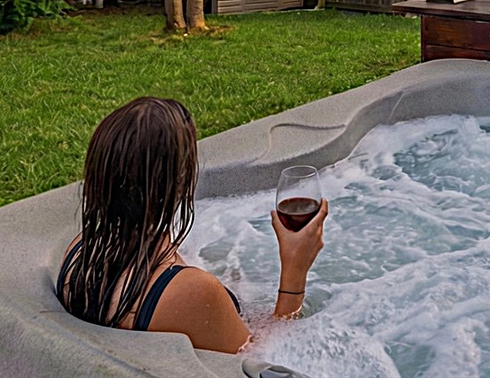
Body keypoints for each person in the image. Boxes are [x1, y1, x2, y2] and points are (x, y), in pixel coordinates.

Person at [56, 97, 326, 353]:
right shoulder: (189, 291)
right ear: (179, 184)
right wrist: (294, 268)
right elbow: (262, 358)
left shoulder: (79, 252)